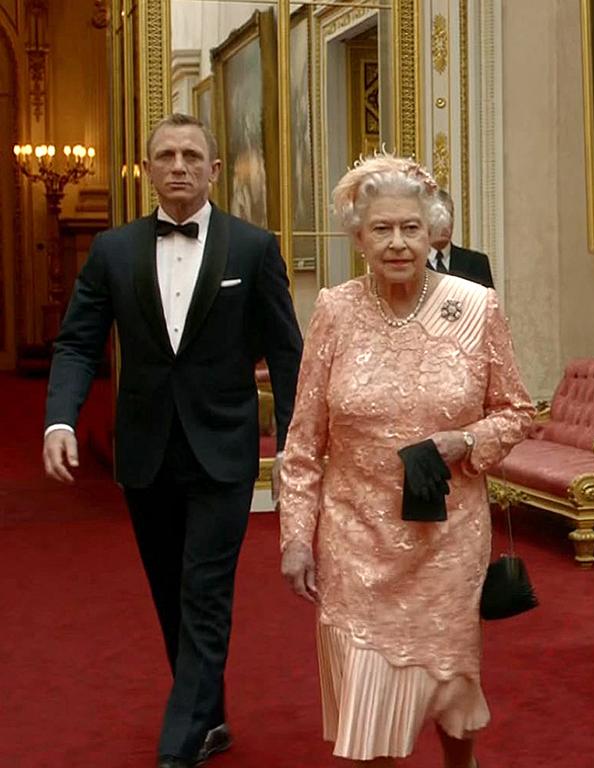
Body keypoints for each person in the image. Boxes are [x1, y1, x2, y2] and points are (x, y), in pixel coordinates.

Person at [42, 113, 303, 768]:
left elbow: (287, 351)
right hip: (145, 448)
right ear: (149, 170)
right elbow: (77, 341)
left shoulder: (252, 248)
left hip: (224, 449)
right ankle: (209, 716)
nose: (179, 165)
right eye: (166, 155)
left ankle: (178, 741)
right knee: (168, 590)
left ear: (214, 169)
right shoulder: (113, 252)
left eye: (192, 154)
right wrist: (59, 419)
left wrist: (298, 443)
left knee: (204, 588)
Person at [278, 153, 534, 768]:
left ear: (434, 231)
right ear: (359, 236)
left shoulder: (476, 308)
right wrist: (296, 537)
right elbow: (304, 439)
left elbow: (519, 412)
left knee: (449, 680)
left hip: (445, 539)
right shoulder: (334, 310)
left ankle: (459, 761)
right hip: (354, 537)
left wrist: (464, 443)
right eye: (382, 229)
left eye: (410, 228)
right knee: (369, 701)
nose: (397, 242)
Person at [427, 189, 495, 288]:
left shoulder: (477, 262)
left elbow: (489, 302)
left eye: (449, 215)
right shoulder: (415, 266)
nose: (446, 224)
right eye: (437, 217)